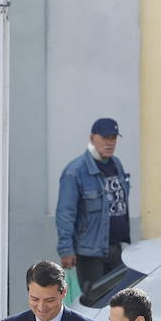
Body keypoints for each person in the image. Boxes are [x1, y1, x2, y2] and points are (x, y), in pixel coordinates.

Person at [57, 117, 131, 297]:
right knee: (94, 301)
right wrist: (66, 249)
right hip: (90, 252)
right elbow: (65, 213)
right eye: (105, 137)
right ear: (92, 138)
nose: (109, 143)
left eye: (113, 138)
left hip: (115, 248)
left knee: (120, 301)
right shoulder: (75, 171)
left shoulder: (116, 164)